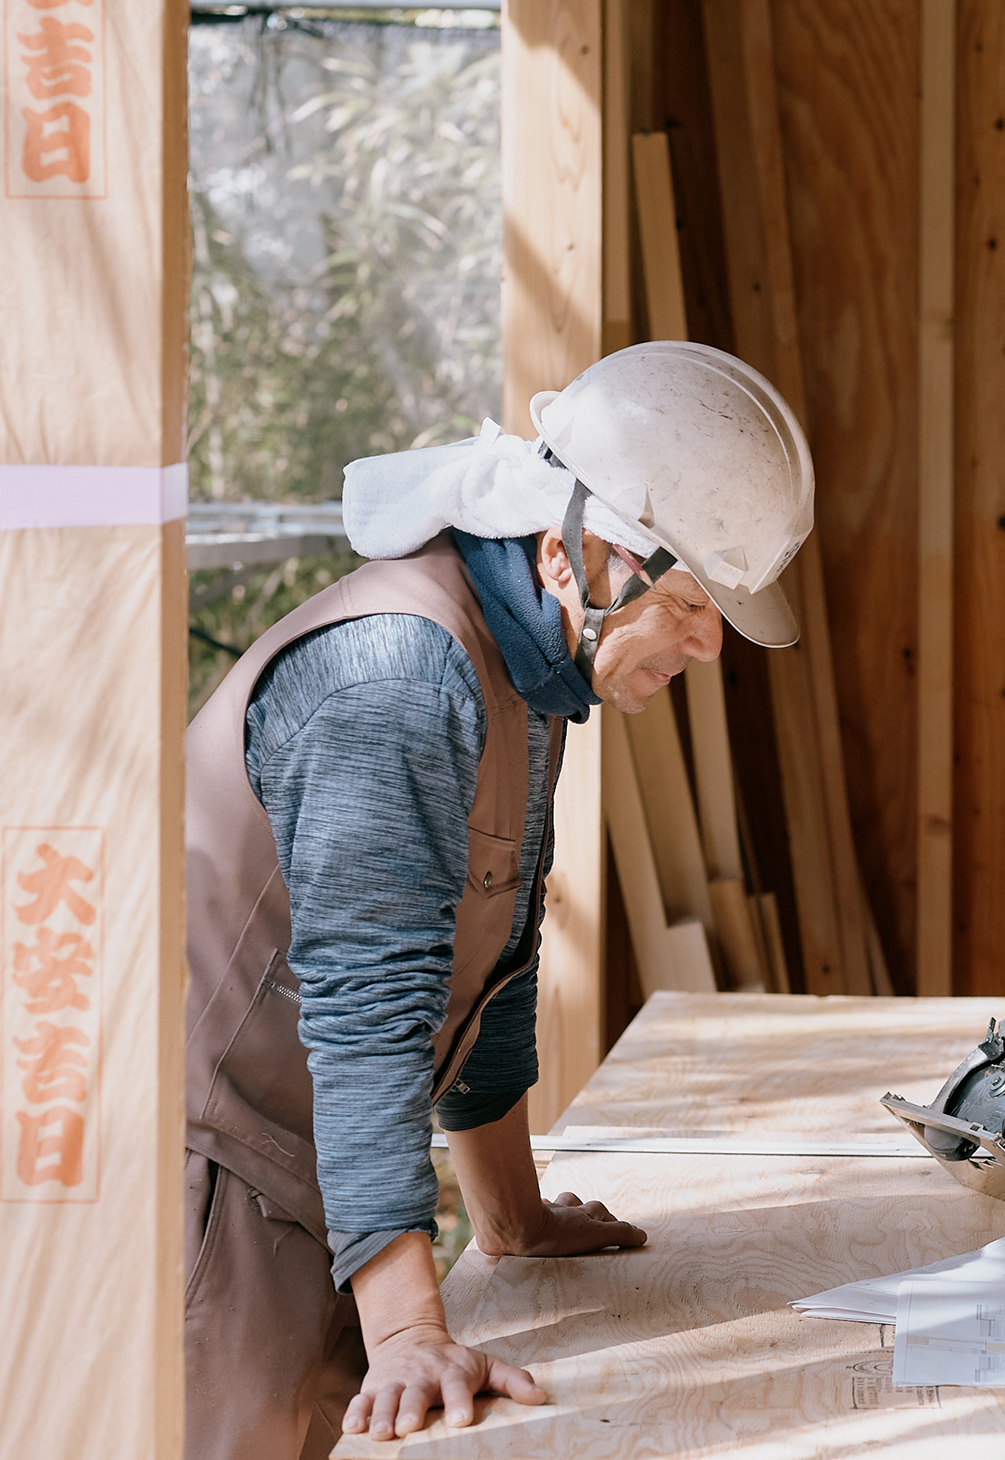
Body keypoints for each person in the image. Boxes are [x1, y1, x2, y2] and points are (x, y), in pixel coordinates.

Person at [183, 342, 815, 1459]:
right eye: (687, 600)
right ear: (577, 556)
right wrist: (411, 1327)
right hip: (206, 1191)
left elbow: (492, 960)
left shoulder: (529, 677)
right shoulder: (397, 677)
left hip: (325, 1183)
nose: (711, 643)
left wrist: (511, 1218)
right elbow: (370, 1006)